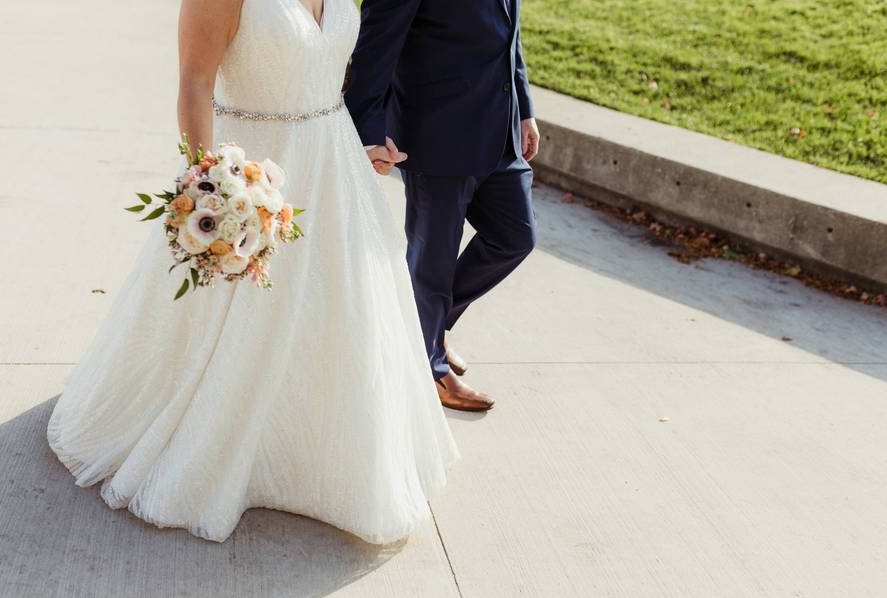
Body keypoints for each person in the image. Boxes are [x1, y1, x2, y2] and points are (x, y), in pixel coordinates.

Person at [47, 0, 458, 545]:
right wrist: (209, 188)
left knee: (338, 320)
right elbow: (194, 82)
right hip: (251, 180)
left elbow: (324, 75)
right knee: (238, 324)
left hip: (334, 169)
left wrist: (359, 144)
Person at [346, 0, 540, 412]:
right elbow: (375, 45)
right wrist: (368, 133)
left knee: (515, 237)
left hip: (499, 127)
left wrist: (524, 108)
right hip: (436, 133)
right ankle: (428, 370)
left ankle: (427, 328)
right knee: (431, 262)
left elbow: (510, 33)